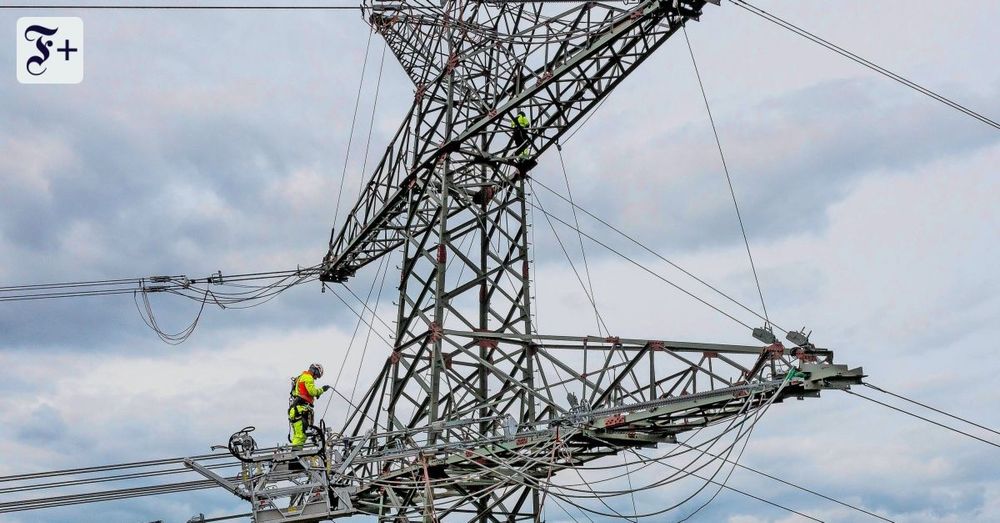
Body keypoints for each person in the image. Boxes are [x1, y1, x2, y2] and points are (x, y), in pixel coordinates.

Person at [288, 363, 330, 448]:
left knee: (299, 435)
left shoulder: (300, 377)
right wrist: (322, 390)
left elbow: (298, 392)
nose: (316, 378)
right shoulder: (308, 377)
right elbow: (313, 392)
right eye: (317, 375)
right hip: (300, 410)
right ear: (314, 371)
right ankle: (295, 457)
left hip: (295, 410)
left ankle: (295, 455)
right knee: (301, 436)